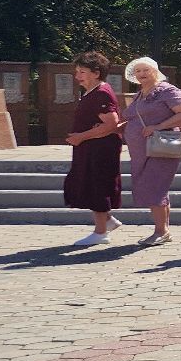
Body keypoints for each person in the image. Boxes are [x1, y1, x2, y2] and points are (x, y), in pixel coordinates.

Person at [121, 56, 181, 246]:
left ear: (155, 71)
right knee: (156, 188)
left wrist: (159, 126)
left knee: (154, 187)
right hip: (143, 152)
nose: (142, 74)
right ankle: (163, 231)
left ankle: (160, 231)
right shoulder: (141, 93)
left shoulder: (166, 91)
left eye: (146, 70)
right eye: (138, 71)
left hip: (161, 148)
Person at [63, 51, 126, 246]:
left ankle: (101, 233)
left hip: (100, 150)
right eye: (77, 71)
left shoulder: (101, 93)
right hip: (91, 148)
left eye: (82, 72)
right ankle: (108, 220)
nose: (77, 76)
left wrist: (81, 137)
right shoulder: (93, 92)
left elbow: (112, 124)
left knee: (97, 185)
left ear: (96, 73)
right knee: (88, 183)